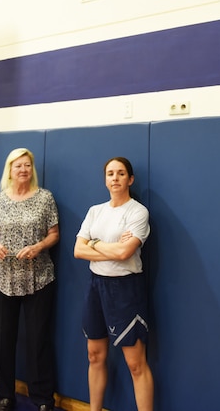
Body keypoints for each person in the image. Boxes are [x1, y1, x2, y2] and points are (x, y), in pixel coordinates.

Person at [74, 157, 154, 411]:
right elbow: (78, 250)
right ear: (105, 179)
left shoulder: (137, 212)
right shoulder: (95, 211)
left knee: (135, 364)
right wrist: (108, 246)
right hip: (96, 286)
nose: (115, 178)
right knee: (94, 355)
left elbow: (124, 254)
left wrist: (94, 244)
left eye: (121, 173)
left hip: (126, 289)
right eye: (110, 173)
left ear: (130, 179)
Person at [0, 148, 59, 411]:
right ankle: (5, 395)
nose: (23, 170)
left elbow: (54, 234)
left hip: (38, 277)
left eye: (27, 165)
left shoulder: (45, 198)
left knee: (38, 338)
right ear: (10, 170)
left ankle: (42, 398)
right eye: (18, 166)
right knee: (3, 338)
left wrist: (38, 247)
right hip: (3, 278)